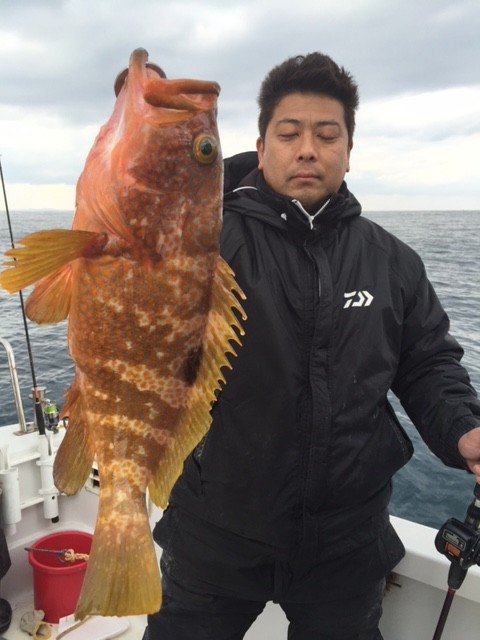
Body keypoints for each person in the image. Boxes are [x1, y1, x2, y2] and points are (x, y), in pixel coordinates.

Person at [144, 53, 480, 640]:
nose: (307, 150)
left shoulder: (392, 261)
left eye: (327, 135)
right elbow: (137, 233)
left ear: (349, 150)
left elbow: (428, 364)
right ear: (260, 146)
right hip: (214, 531)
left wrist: (463, 430)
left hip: (346, 542)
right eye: (289, 133)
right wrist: (151, 117)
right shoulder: (202, 241)